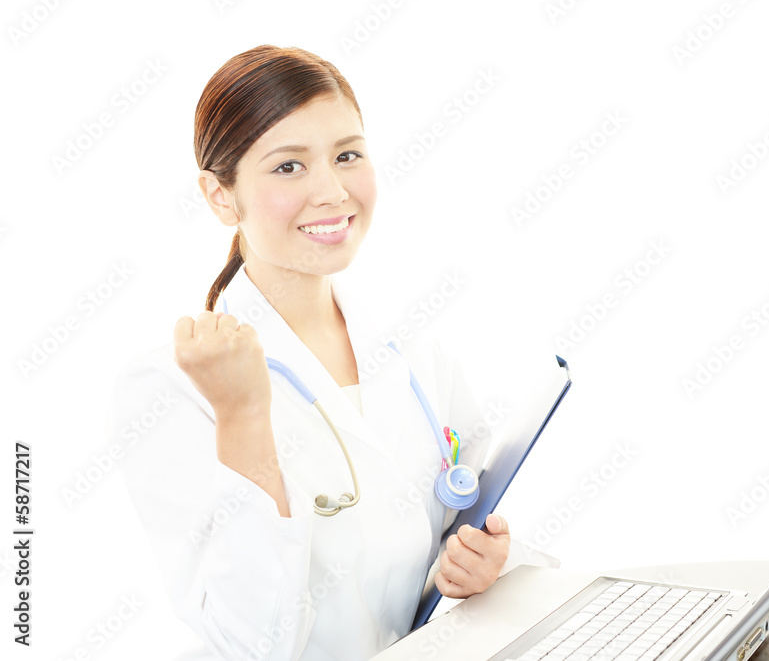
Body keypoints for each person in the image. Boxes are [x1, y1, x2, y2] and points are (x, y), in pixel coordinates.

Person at [112, 44, 554, 660]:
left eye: (347, 155)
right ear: (220, 196)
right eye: (288, 166)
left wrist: (487, 568)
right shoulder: (168, 387)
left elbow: (476, 534)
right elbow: (254, 643)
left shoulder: (415, 349)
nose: (332, 191)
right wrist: (241, 415)